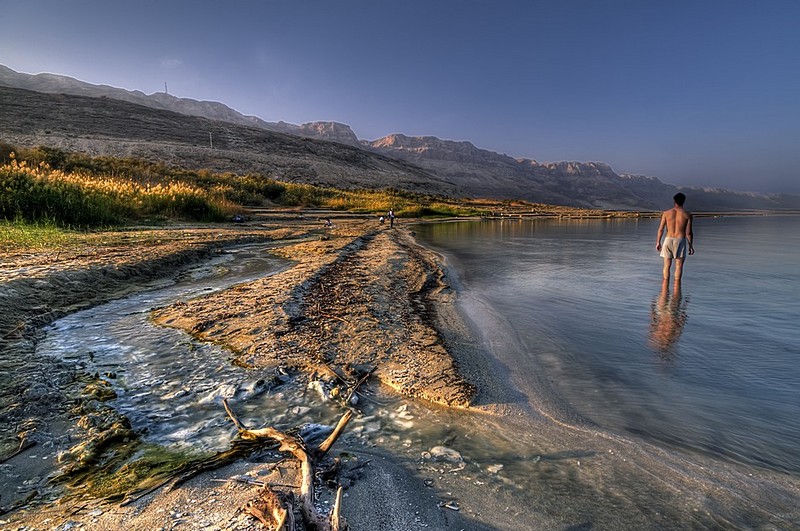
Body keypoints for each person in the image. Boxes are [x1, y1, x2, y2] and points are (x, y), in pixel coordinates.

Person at [656, 192, 694, 281]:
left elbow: (661, 229)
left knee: (666, 266)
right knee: (679, 266)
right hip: (680, 240)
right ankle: (677, 290)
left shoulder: (666, 213)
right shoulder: (687, 215)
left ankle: (665, 289)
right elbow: (688, 233)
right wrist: (691, 245)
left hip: (668, 240)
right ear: (683, 201)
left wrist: (658, 242)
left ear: (674, 201)